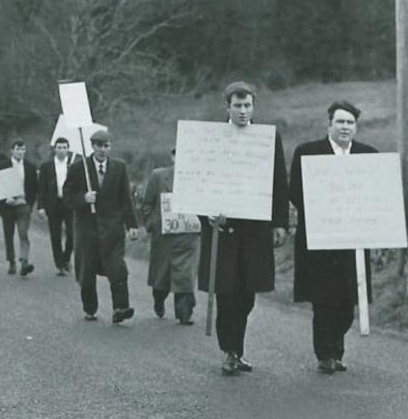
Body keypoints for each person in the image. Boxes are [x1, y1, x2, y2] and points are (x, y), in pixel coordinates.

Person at [199, 81, 289, 375]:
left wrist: (279, 224)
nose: (242, 111)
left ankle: (237, 349)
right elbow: (199, 182)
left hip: (254, 232)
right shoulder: (212, 139)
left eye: (247, 105)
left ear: (253, 107)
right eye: (237, 106)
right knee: (226, 294)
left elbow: (279, 183)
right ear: (227, 107)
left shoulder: (267, 139)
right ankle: (230, 351)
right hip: (223, 233)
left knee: (247, 294)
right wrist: (206, 215)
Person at [290, 100, 377, 374]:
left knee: (347, 302)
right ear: (329, 125)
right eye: (340, 122)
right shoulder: (308, 153)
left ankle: (336, 349)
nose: (345, 127)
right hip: (321, 240)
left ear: (356, 127)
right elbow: (295, 191)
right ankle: (325, 354)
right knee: (324, 300)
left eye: (350, 122)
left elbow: (377, 195)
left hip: (353, 243)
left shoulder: (368, 155)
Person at [63, 130, 139, 324]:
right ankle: (90, 308)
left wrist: (131, 224)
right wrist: (83, 198)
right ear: (92, 146)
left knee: (117, 267)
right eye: (99, 145)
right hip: (87, 229)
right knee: (87, 270)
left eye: (106, 146)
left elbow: (125, 199)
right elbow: (67, 195)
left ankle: (120, 308)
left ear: (110, 147)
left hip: (112, 228)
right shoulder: (79, 168)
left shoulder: (119, 168)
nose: (103, 150)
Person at [141, 148, 200, 325]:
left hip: (188, 237)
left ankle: (185, 312)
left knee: (185, 276)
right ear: (172, 157)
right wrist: (152, 224)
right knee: (162, 276)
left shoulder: (198, 178)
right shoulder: (159, 176)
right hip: (164, 237)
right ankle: (158, 298)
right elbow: (147, 203)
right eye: (177, 156)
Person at [38, 137, 77, 276]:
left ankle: (66, 258)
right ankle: (59, 263)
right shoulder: (46, 166)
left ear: (68, 149)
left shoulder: (73, 165)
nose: (62, 150)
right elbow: (41, 188)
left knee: (72, 235)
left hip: (69, 204)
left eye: (64, 147)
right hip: (53, 204)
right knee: (55, 235)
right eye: (59, 147)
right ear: (54, 149)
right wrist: (41, 207)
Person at [0, 140, 38, 276]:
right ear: (12, 150)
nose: (20, 152)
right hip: (8, 206)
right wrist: (5, 199)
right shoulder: (3, 166)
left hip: (23, 206)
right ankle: (11, 261)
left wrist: (29, 203)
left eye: (23, 150)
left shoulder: (30, 167)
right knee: (9, 234)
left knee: (23, 233)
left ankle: (24, 262)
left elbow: (34, 188)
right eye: (18, 149)